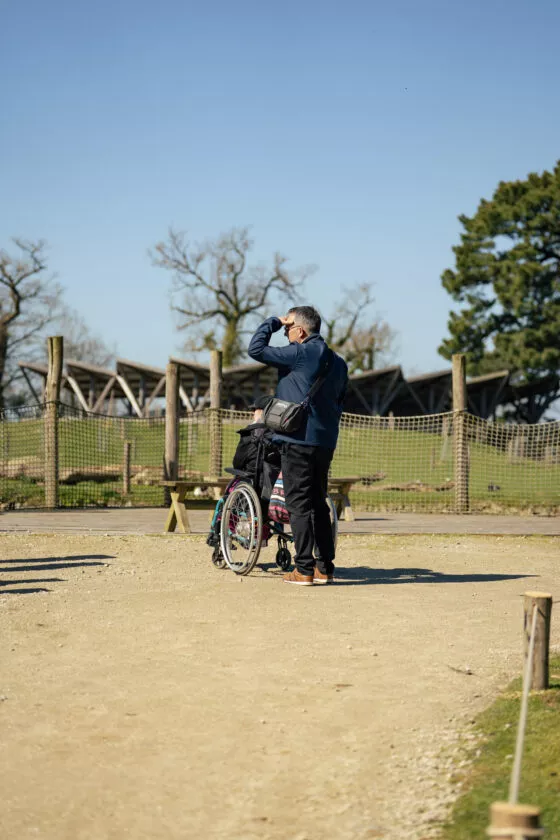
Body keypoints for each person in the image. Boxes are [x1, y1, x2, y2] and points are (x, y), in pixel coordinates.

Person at [248, 305, 348, 586]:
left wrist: (273, 322)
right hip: (325, 441)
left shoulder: (299, 352)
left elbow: (255, 349)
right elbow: (341, 401)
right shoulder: (339, 362)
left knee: (298, 503)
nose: (286, 333)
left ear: (300, 331)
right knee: (318, 503)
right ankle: (324, 567)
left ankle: (303, 569)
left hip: (296, 439)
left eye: (289, 327)